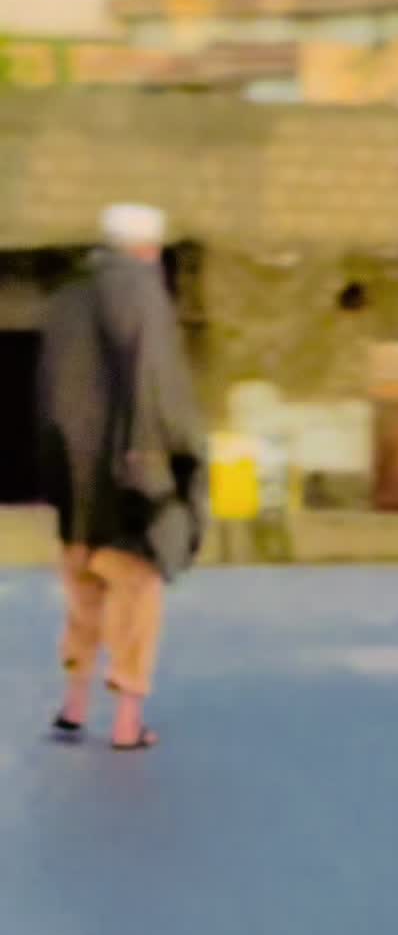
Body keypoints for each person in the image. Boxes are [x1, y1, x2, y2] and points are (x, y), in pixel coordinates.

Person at [38, 203, 207, 750]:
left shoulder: (68, 297)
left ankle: (73, 708)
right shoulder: (142, 294)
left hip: (77, 483)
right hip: (132, 480)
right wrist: (177, 459)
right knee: (135, 595)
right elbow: (156, 385)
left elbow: (51, 394)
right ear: (147, 248)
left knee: (82, 592)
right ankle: (127, 722)